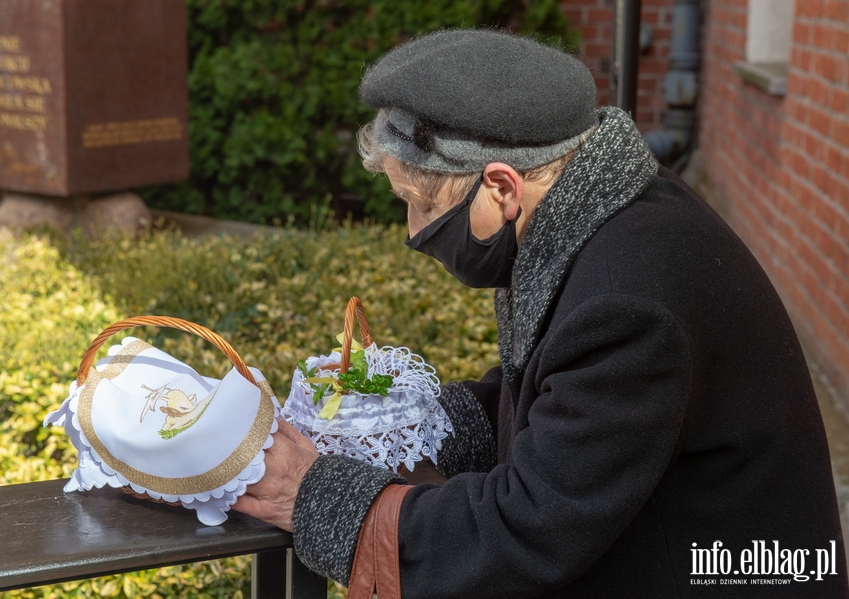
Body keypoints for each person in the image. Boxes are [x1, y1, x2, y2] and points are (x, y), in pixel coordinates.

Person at [234, 29, 849, 597]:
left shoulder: (628, 301)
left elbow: (528, 528)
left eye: (418, 203)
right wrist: (415, 429)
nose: (413, 231)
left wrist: (315, 495)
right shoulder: (601, 208)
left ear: (501, 188)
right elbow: (559, 393)